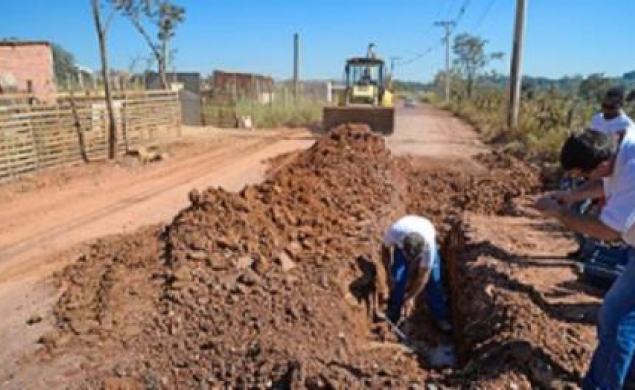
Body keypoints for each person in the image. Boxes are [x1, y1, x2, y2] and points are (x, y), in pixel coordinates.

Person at [534, 129, 635, 389]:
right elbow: (604, 181)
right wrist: (570, 197)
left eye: (583, 175)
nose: (582, 180)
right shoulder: (616, 146)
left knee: (617, 318)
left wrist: (559, 213)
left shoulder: (632, 165)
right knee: (619, 317)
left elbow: (609, 231)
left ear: (601, 164)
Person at [381, 215, 452, 333]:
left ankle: (440, 316)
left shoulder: (428, 247)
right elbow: (385, 250)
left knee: (434, 281)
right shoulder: (395, 233)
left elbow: (423, 276)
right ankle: (394, 311)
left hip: (425, 228)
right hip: (405, 232)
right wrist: (388, 274)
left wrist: (411, 297)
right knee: (397, 278)